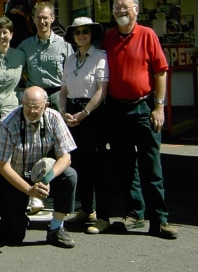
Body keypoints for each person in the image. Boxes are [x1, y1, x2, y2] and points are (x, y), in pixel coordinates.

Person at [101, 0, 177, 239]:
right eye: (116, 7)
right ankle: (134, 213)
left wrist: (159, 107)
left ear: (136, 10)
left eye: (125, 7)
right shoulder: (108, 37)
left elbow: (160, 71)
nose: (120, 11)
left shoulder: (147, 35)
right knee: (125, 165)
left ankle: (160, 220)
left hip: (143, 108)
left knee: (151, 165)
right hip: (116, 110)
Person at [0, 86, 79, 248]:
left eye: (36, 107)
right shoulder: (7, 123)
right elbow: (3, 166)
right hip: (13, 177)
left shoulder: (54, 117)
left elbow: (66, 157)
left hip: (42, 174)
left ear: (45, 105)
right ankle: (14, 219)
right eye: (28, 106)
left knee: (69, 175)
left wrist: (47, 179)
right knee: (13, 236)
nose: (31, 111)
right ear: (21, 103)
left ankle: (56, 228)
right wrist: (29, 190)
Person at [60, 16, 110, 234]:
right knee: (79, 165)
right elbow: (63, 91)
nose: (81, 36)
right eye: (77, 32)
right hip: (71, 114)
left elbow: (101, 90)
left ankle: (103, 216)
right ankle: (86, 210)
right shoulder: (69, 60)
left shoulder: (100, 56)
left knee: (98, 165)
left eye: (85, 32)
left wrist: (85, 113)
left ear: (92, 34)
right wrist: (63, 113)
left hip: (93, 115)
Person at [16, 2, 74, 111]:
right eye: (38, 18)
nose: (42, 22)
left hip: (58, 95)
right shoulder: (26, 46)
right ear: (34, 19)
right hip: (35, 97)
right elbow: (11, 59)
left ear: (52, 18)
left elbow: (72, 73)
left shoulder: (64, 45)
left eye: (45, 18)